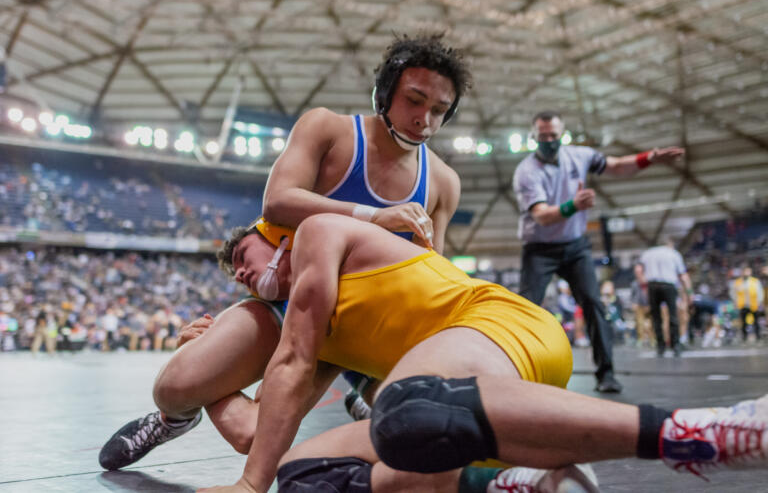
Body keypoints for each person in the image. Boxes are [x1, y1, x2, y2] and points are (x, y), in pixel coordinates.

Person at [98, 33, 471, 471]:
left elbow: (435, 270)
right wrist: (374, 217)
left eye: (440, 111)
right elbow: (277, 200)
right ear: (385, 92)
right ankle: (173, 419)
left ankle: (367, 389)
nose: (424, 120)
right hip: (295, 308)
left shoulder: (443, 182)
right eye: (414, 100)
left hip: (364, 327)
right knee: (178, 390)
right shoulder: (329, 129)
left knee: (426, 428)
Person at [198, 214, 768, 493]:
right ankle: (515, 484)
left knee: (405, 407)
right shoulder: (319, 332)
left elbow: (290, 363)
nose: (246, 272)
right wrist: (210, 385)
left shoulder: (321, 231)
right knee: (309, 477)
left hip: (503, 328)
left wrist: (249, 488)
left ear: (280, 233)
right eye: (240, 276)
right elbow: (260, 431)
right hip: (466, 394)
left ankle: (706, 431)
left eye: (247, 253)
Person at [512, 110, 685, 392]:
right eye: (542, 136)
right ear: (533, 137)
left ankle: (606, 374)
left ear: (562, 134)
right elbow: (542, 215)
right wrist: (573, 206)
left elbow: (616, 166)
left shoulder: (579, 156)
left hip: (574, 245)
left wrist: (649, 158)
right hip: (539, 248)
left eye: (553, 135)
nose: (548, 141)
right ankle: (516, 372)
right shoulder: (526, 171)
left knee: (594, 304)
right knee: (526, 308)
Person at [636, 238, 692, 357]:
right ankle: (675, 345)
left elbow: (638, 270)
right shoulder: (673, 253)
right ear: (669, 244)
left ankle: (660, 347)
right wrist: (689, 292)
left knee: (656, 317)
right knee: (673, 316)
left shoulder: (647, 254)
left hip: (652, 286)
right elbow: (683, 275)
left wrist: (644, 285)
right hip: (668, 285)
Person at [730, 266, 764, 342]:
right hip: (743, 305)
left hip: (754, 305)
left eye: (748, 271)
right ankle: (744, 338)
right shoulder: (738, 282)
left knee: (756, 322)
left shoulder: (755, 281)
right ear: (742, 272)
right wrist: (735, 301)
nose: (746, 273)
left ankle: (758, 337)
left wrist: (759, 302)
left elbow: (760, 293)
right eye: (745, 271)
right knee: (743, 323)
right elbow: (733, 293)